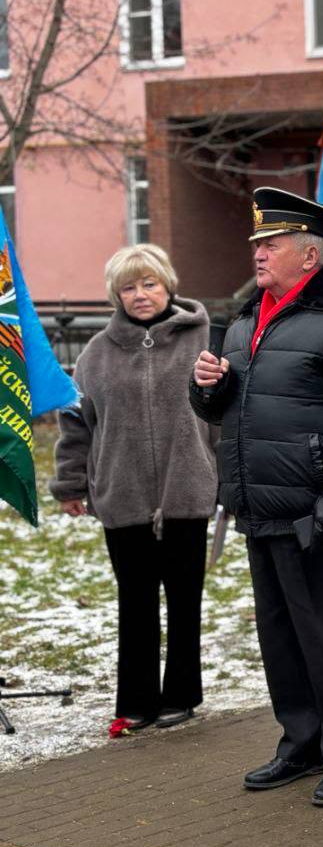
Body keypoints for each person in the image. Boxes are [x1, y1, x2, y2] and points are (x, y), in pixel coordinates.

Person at [189, 187, 323, 808]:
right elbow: (230, 410)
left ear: (309, 255)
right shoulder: (248, 318)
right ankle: (301, 742)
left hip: (314, 509)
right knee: (280, 636)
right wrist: (207, 390)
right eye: (256, 242)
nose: (257, 251)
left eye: (270, 242)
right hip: (259, 507)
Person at [51, 244, 217, 733]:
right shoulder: (95, 355)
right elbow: (75, 425)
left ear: (168, 285)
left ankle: (182, 694)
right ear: (115, 296)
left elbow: (228, 415)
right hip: (121, 496)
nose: (140, 294)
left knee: (185, 598)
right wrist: (69, 483)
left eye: (149, 283)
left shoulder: (206, 340)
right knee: (135, 601)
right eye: (128, 287)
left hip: (187, 489)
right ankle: (138, 700)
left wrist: (229, 476)